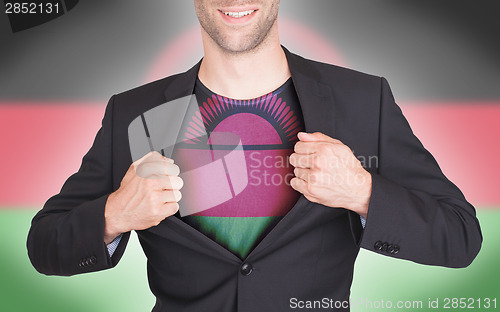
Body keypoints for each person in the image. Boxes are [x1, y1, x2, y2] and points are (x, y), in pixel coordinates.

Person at [27, 1, 482, 311]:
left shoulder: (363, 100)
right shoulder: (134, 112)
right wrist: (114, 214)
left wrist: (363, 192)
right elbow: (44, 245)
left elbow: (460, 237)